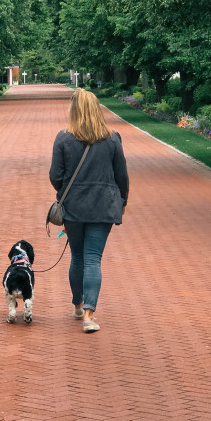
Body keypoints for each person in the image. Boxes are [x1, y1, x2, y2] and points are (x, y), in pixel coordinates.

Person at [49, 88, 129, 334]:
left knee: (78, 256)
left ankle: (78, 303)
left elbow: (55, 176)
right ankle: (89, 315)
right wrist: (122, 201)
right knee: (94, 258)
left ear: (74, 110)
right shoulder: (113, 138)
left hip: (73, 206)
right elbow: (121, 176)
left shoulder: (63, 138)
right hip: (103, 206)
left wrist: (64, 192)